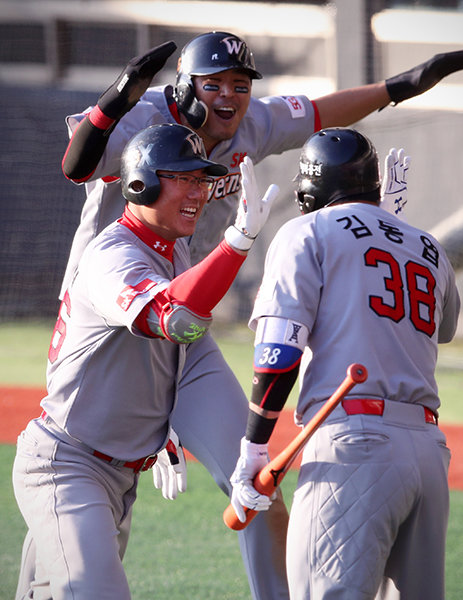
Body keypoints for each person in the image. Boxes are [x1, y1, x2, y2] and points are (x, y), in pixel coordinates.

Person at [16, 32, 463, 599]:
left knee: (256, 483)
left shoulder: (248, 127)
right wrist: (118, 99)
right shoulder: (147, 126)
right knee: (77, 512)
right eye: (214, 85)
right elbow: (77, 164)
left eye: (240, 84)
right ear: (184, 90)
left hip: (184, 323)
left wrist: (400, 86)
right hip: (114, 315)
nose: (230, 97)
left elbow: (318, 112)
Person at [12, 122, 278, 599]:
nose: (200, 191)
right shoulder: (112, 255)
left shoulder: (169, 244)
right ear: (141, 183)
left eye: (203, 179)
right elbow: (174, 321)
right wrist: (236, 243)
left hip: (114, 477)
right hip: (66, 468)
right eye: (185, 177)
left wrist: (169, 423)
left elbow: (178, 345)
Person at [229, 127, 460, 599]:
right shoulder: (429, 245)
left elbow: (279, 350)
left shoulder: (304, 231)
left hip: (354, 446)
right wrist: (390, 229)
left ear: (311, 189)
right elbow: (443, 326)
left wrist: (254, 447)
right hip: (428, 454)